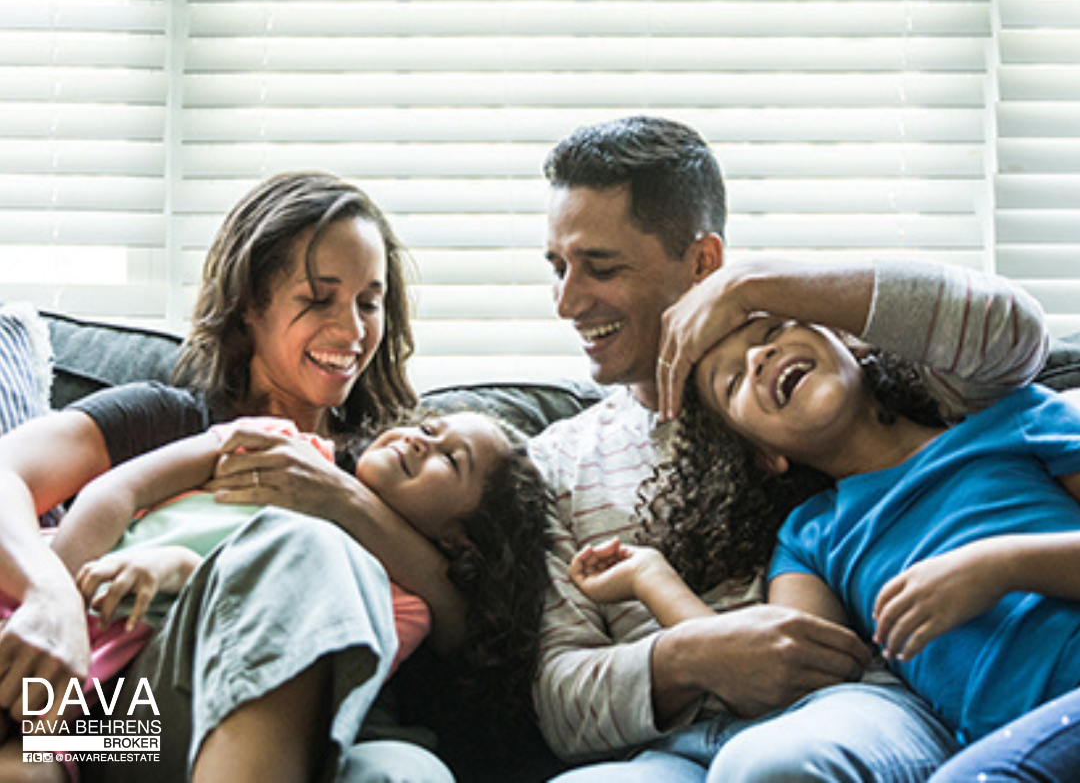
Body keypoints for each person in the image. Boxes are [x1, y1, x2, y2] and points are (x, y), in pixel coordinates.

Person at [529, 115, 1048, 781]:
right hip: (671, 752)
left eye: (599, 267)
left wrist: (756, 288)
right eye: (557, 268)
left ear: (703, 262)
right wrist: (691, 657)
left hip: (851, 711)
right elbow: (557, 697)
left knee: (775, 765)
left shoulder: (833, 384)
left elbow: (1013, 334)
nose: (568, 301)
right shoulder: (553, 463)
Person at [0, 170, 467, 782]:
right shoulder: (171, 420)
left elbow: (462, 635)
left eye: (368, 303)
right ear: (251, 305)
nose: (353, 330)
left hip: (338, 726)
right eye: (318, 298)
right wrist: (50, 593)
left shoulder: (395, 469)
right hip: (120, 728)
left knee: (408, 775)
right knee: (302, 547)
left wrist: (343, 502)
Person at [574, 256, 1078, 780]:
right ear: (765, 456)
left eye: (773, 330)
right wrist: (650, 578)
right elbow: (778, 665)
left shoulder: (1013, 418)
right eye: (733, 383)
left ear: (850, 342)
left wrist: (1002, 565)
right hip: (1008, 746)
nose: (760, 356)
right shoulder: (809, 538)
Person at [0, 407, 550, 781]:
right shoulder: (280, 441)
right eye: (429, 427)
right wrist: (54, 606)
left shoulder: (398, 604)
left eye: (450, 460)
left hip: (112, 715)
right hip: (46, 629)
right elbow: (119, 489)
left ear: (462, 542)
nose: (420, 440)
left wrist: (183, 568)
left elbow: (270, 664)